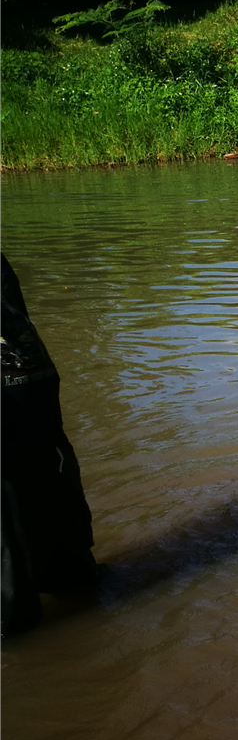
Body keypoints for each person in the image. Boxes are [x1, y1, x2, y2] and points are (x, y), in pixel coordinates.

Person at [2, 253, 97, 636]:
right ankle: (71, 580)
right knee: (46, 470)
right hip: (29, 374)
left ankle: (15, 619)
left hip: (20, 384)